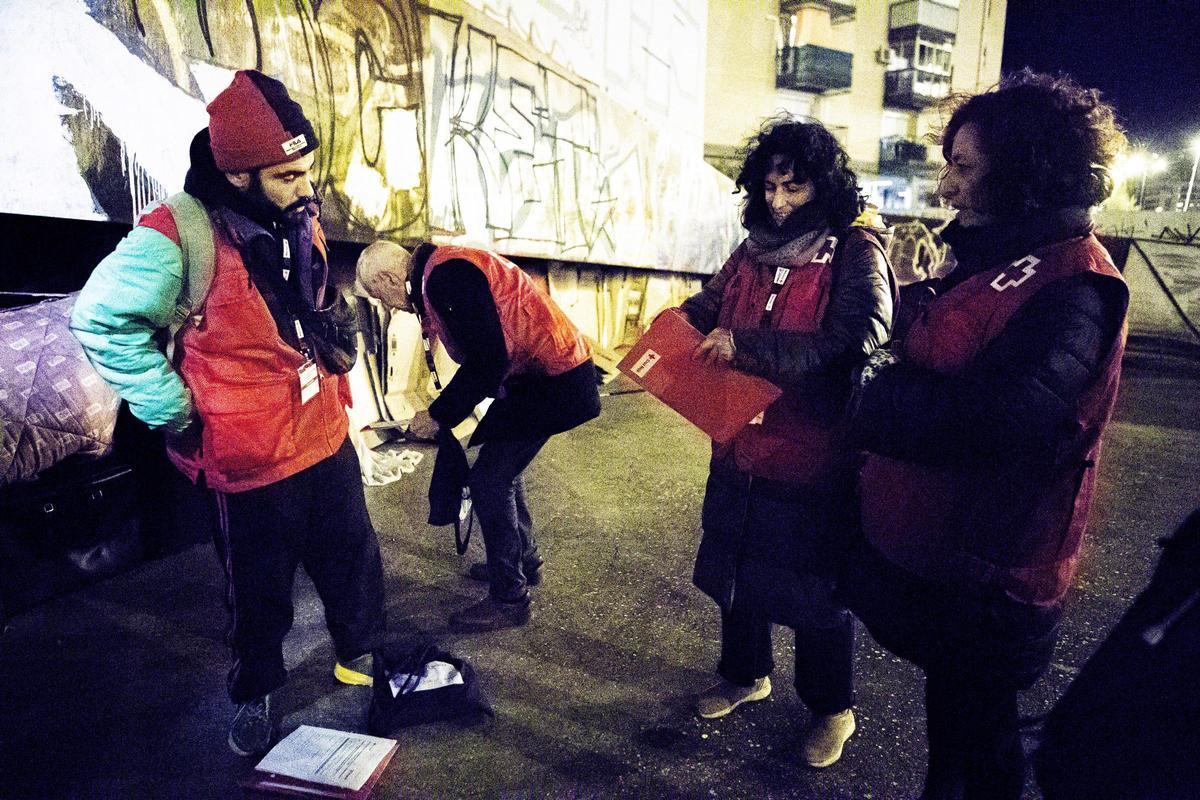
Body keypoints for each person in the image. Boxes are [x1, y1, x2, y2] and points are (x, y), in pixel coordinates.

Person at [70, 70, 387, 758]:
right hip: (249, 460)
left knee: (353, 561)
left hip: (323, 435)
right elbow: (97, 318)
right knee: (258, 595)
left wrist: (328, 328)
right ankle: (256, 691)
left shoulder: (293, 211)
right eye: (286, 175)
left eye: (307, 169)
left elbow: (297, 297)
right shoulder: (177, 236)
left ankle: (358, 655)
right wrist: (170, 406)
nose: (306, 188)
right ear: (239, 175)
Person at [842, 70, 1129, 799]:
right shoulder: (995, 255)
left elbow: (993, 426)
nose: (946, 188)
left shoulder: (1075, 287)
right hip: (951, 561)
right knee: (961, 725)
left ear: (1026, 174)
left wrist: (867, 382)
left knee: (979, 743)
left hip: (992, 573)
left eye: (964, 168)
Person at [680, 117, 894, 768]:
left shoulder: (856, 251)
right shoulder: (750, 251)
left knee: (816, 594)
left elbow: (862, 339)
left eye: (793, 188)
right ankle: (745, 675)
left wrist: (748, 346)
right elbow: (712, 304)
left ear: (822, 186)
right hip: (739, 445)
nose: (776, 201)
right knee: (738, 572)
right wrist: (679, 324)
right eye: (768, 186)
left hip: (814, 455)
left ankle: (834, 710)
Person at [356, 240, 600, 631]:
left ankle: (510, 597)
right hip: (545, 377)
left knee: (490, 480)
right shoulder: (442, 269)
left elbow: (489, 361)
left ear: (387, 278)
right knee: (500, 465)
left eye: (378, 296)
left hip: (554, 381)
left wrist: (438, 415)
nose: (385, 306)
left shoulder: (444, 279)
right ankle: (524, 559)